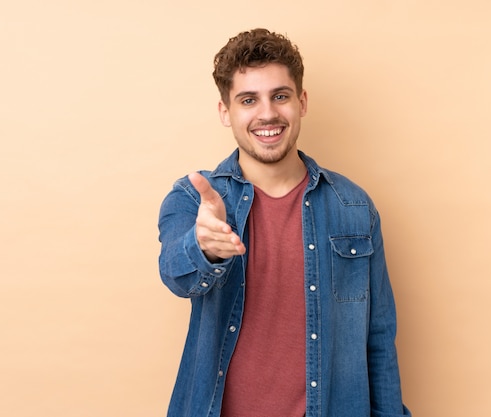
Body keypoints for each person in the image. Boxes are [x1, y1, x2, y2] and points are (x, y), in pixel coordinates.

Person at [158, 28, 411, 417]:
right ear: (225, 111)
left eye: (280, 96)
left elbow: (378, 338)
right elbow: (176, 273)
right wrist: (203, 248)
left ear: (301, 101)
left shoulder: (354, 208)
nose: (268, 113)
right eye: (248, 100)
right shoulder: (195, 199)